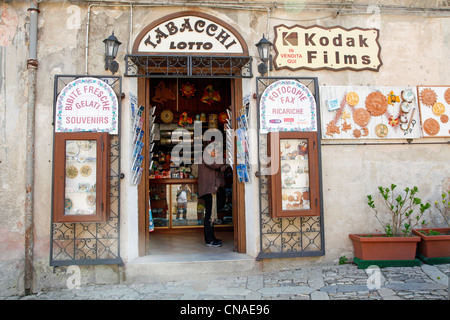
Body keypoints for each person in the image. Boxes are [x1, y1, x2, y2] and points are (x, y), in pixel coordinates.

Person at [198, 145, 227, 247]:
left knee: (212, 214)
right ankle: (209, 240)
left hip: (212, 189)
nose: (217, 154)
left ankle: (211, 238)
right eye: (216, 152)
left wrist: (222, 163)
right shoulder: (206, 157)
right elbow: (216, 165)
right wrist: (225, 159)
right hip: (209, 190)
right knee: (210, 215)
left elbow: (222, 168)